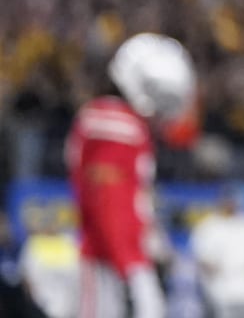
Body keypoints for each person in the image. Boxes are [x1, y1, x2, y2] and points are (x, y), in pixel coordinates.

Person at [65, 33, 196, 318]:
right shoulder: (114, 123)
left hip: (115, 254)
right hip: (106, 259)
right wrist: (130, 259)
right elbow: (109, 202)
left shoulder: (118, 120)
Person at [189, 191, 244, 318]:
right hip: (222, 293)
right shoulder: (208, 227)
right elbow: (200, 258)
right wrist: (216, 271)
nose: (230, 204)